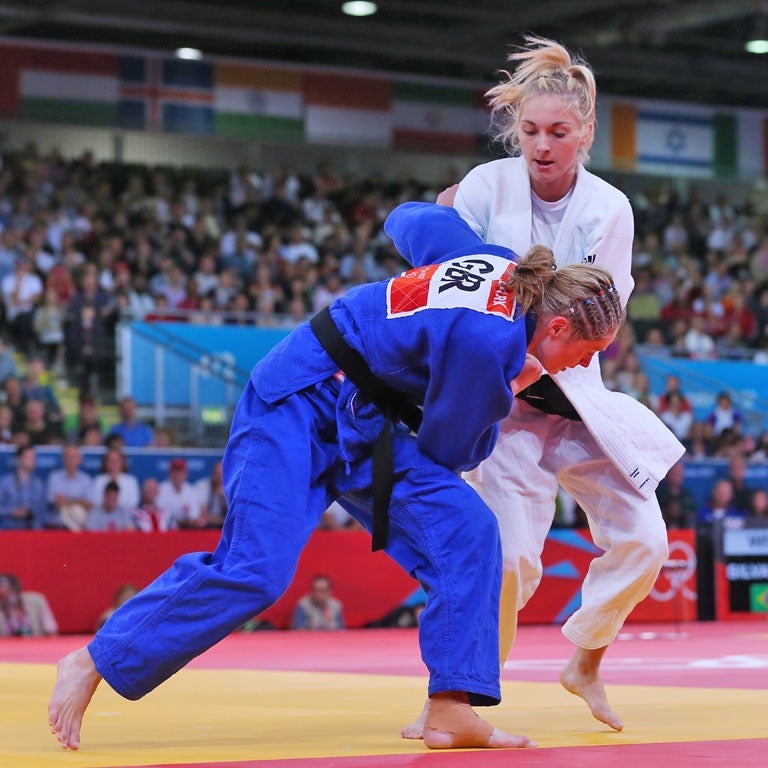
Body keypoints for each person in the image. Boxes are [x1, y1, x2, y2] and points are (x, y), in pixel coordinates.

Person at [48, 200, 625, 752]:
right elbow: (450, 451)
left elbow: (410, 222)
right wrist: (510, 389)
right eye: (586, 350)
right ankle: (96, 659)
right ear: (555, 327)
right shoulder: (491, 344)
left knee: (467, 528)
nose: (581, 365)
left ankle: (451, 708)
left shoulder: (498, 261)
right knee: (256, 571)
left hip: (369, 420)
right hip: (296, 405)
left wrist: (445, 206)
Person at [406, 35, 682, 737]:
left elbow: (604, 319)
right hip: (501, 404)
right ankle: (455, 698)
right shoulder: (484, 187)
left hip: (573, 388)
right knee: (506, 560)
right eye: (530, 131)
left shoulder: (609, 207)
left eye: (559, 132)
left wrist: (545, 345)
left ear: (587, 133)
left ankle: (585, 660)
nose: (542, 145)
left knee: (646, 539)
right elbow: (443, 284)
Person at [45, 441, 95, 531]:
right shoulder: (54, 477)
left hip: (80, 522)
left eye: (74, 457)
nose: (71, 460)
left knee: (77, 512)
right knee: (64, 512)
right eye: (68, 457)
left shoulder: (86, 479)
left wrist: (67, 501)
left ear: (80, 459)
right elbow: (58, 503)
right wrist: (79, 501)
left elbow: (89, 505)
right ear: (63, 459)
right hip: (58, 524)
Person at [0, 444, 48, 529]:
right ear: (18, 459)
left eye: (34, 458)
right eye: (29, 458)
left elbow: (42, 512)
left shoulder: (39, 484)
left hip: (32, 532)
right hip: (8, 532)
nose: (32, 461)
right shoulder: (5, 482)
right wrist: (12, 511)